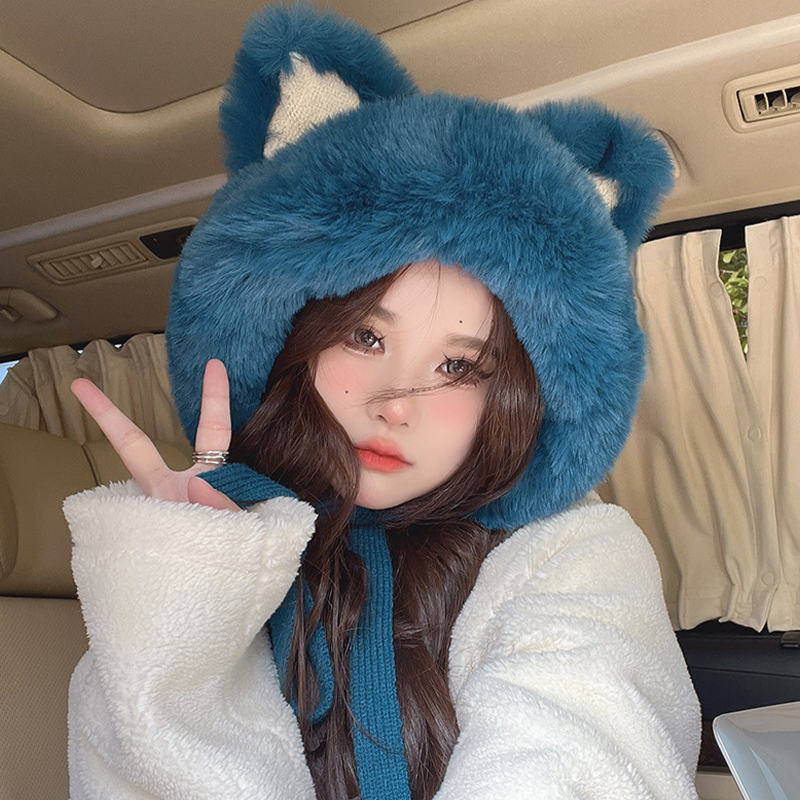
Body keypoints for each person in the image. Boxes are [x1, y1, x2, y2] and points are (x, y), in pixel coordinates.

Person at [63, 4, 701, 799]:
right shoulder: (204, 550)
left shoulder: (570, 555)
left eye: (459, 366)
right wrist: (186, 590)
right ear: (293, 342)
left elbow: (584, 743)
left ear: (516, 403)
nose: (396, 404)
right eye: (365, 337)